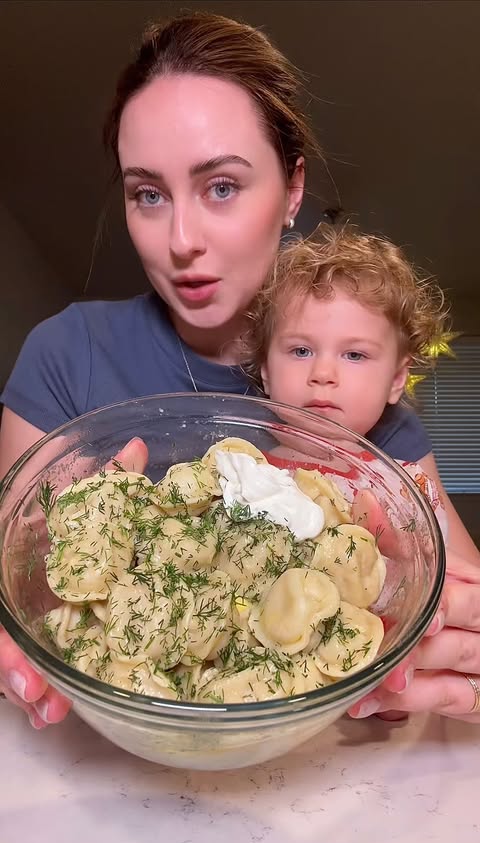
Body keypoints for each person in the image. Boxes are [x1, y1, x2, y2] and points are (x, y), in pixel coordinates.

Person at [0, 11, 479, 729]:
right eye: (147, 194)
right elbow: (19, 589)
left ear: (291, 190)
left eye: (220, 186)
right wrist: (66, 563)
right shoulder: (65, 355)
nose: (182, 241)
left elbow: (460, 601)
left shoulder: (367, 417)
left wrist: (444, 645)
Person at [243, 223, 479, 560]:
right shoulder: (240, 473)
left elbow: (451, 578)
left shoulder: (404, 487)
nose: (322, 374)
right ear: (266, 372)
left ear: (396, 381)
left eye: (354, 355)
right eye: (301, 351)